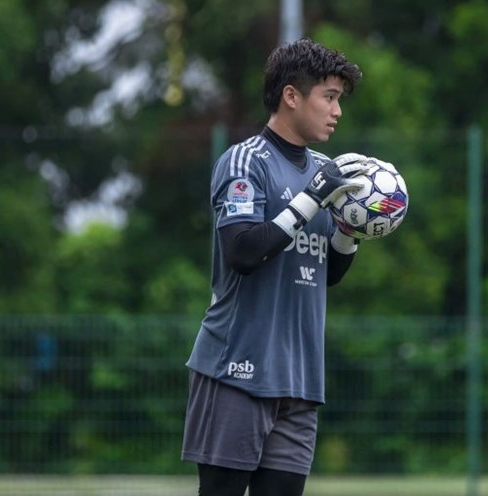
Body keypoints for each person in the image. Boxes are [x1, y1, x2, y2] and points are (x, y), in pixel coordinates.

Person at [181, 38, 367, 496]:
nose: (336, 110)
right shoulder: (246, 161)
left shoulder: (326, 170)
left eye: (339, 99)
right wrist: (312, 198)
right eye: (329, 97)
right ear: (291, 96)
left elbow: (327, 274)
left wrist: (352, 228)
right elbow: (242, 253)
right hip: (236, 371)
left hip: (300, 381)